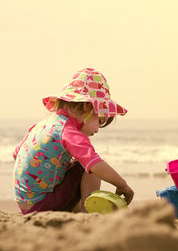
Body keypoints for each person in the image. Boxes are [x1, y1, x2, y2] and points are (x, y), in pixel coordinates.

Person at [12, 68, 134, 214]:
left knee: (74, 165)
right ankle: (86, 212)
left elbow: (17, 153)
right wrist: (123, 185)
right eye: (100, 121)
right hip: (43, 204)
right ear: (87, 107)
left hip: (25, 203)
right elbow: (95, 164)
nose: (97, 129)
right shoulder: (68, 131)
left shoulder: (42, 125)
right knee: (86, 166)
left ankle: (75, 209)